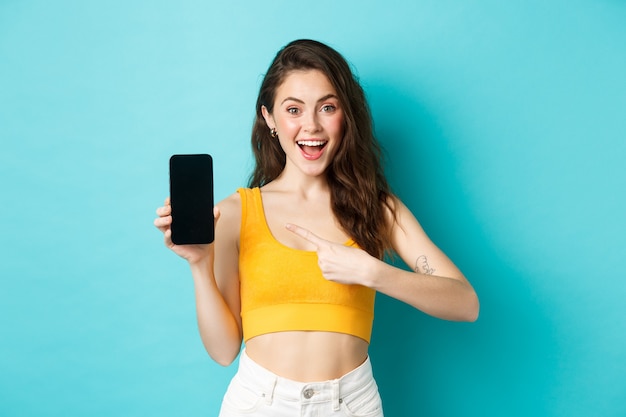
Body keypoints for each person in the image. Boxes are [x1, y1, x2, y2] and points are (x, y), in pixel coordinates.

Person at [154, 39, 479, 417]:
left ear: (346, 116)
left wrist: (373, 272)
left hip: (352, 404)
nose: (311, 125)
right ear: (269, 118)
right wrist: (199, 264)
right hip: (259, 403)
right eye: (293, 109)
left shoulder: (377, 208)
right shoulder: (236, 213)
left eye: (327, 107)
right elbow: (224, 350)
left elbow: (465, 303)